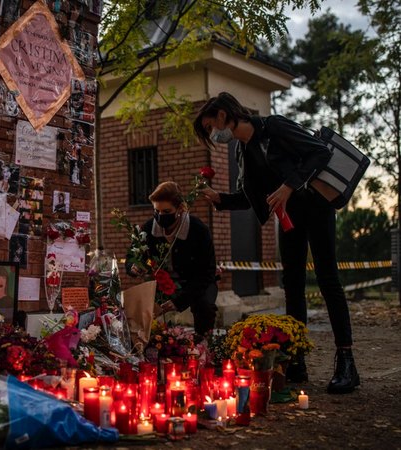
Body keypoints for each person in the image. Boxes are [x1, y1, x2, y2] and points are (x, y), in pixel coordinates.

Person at [192, 92, 359, 394]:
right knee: (292, 284)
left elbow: (319, 152)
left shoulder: (274, 127)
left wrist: (287, 186)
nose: (212, 135)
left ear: (221, 115)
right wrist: (219, 199)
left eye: (209, 128)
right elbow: (250, 198)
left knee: (327, 278)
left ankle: (346, 360)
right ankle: (296, 359)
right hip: (289, 218)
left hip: (316, 206)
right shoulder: (242, 152)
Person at [125, 181, 218, 337]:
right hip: (162, 283)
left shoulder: (198, 230)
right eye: (157, 211)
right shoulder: (147, 229)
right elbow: (132, 255)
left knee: (205, 306)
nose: (161, 216)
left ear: (180, 208)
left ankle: (204, 343)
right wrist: (134, 266)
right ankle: (145, 343)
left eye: (166, 211)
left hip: (196, 281)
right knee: (140, 306)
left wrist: (179, 301)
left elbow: (206, 273)